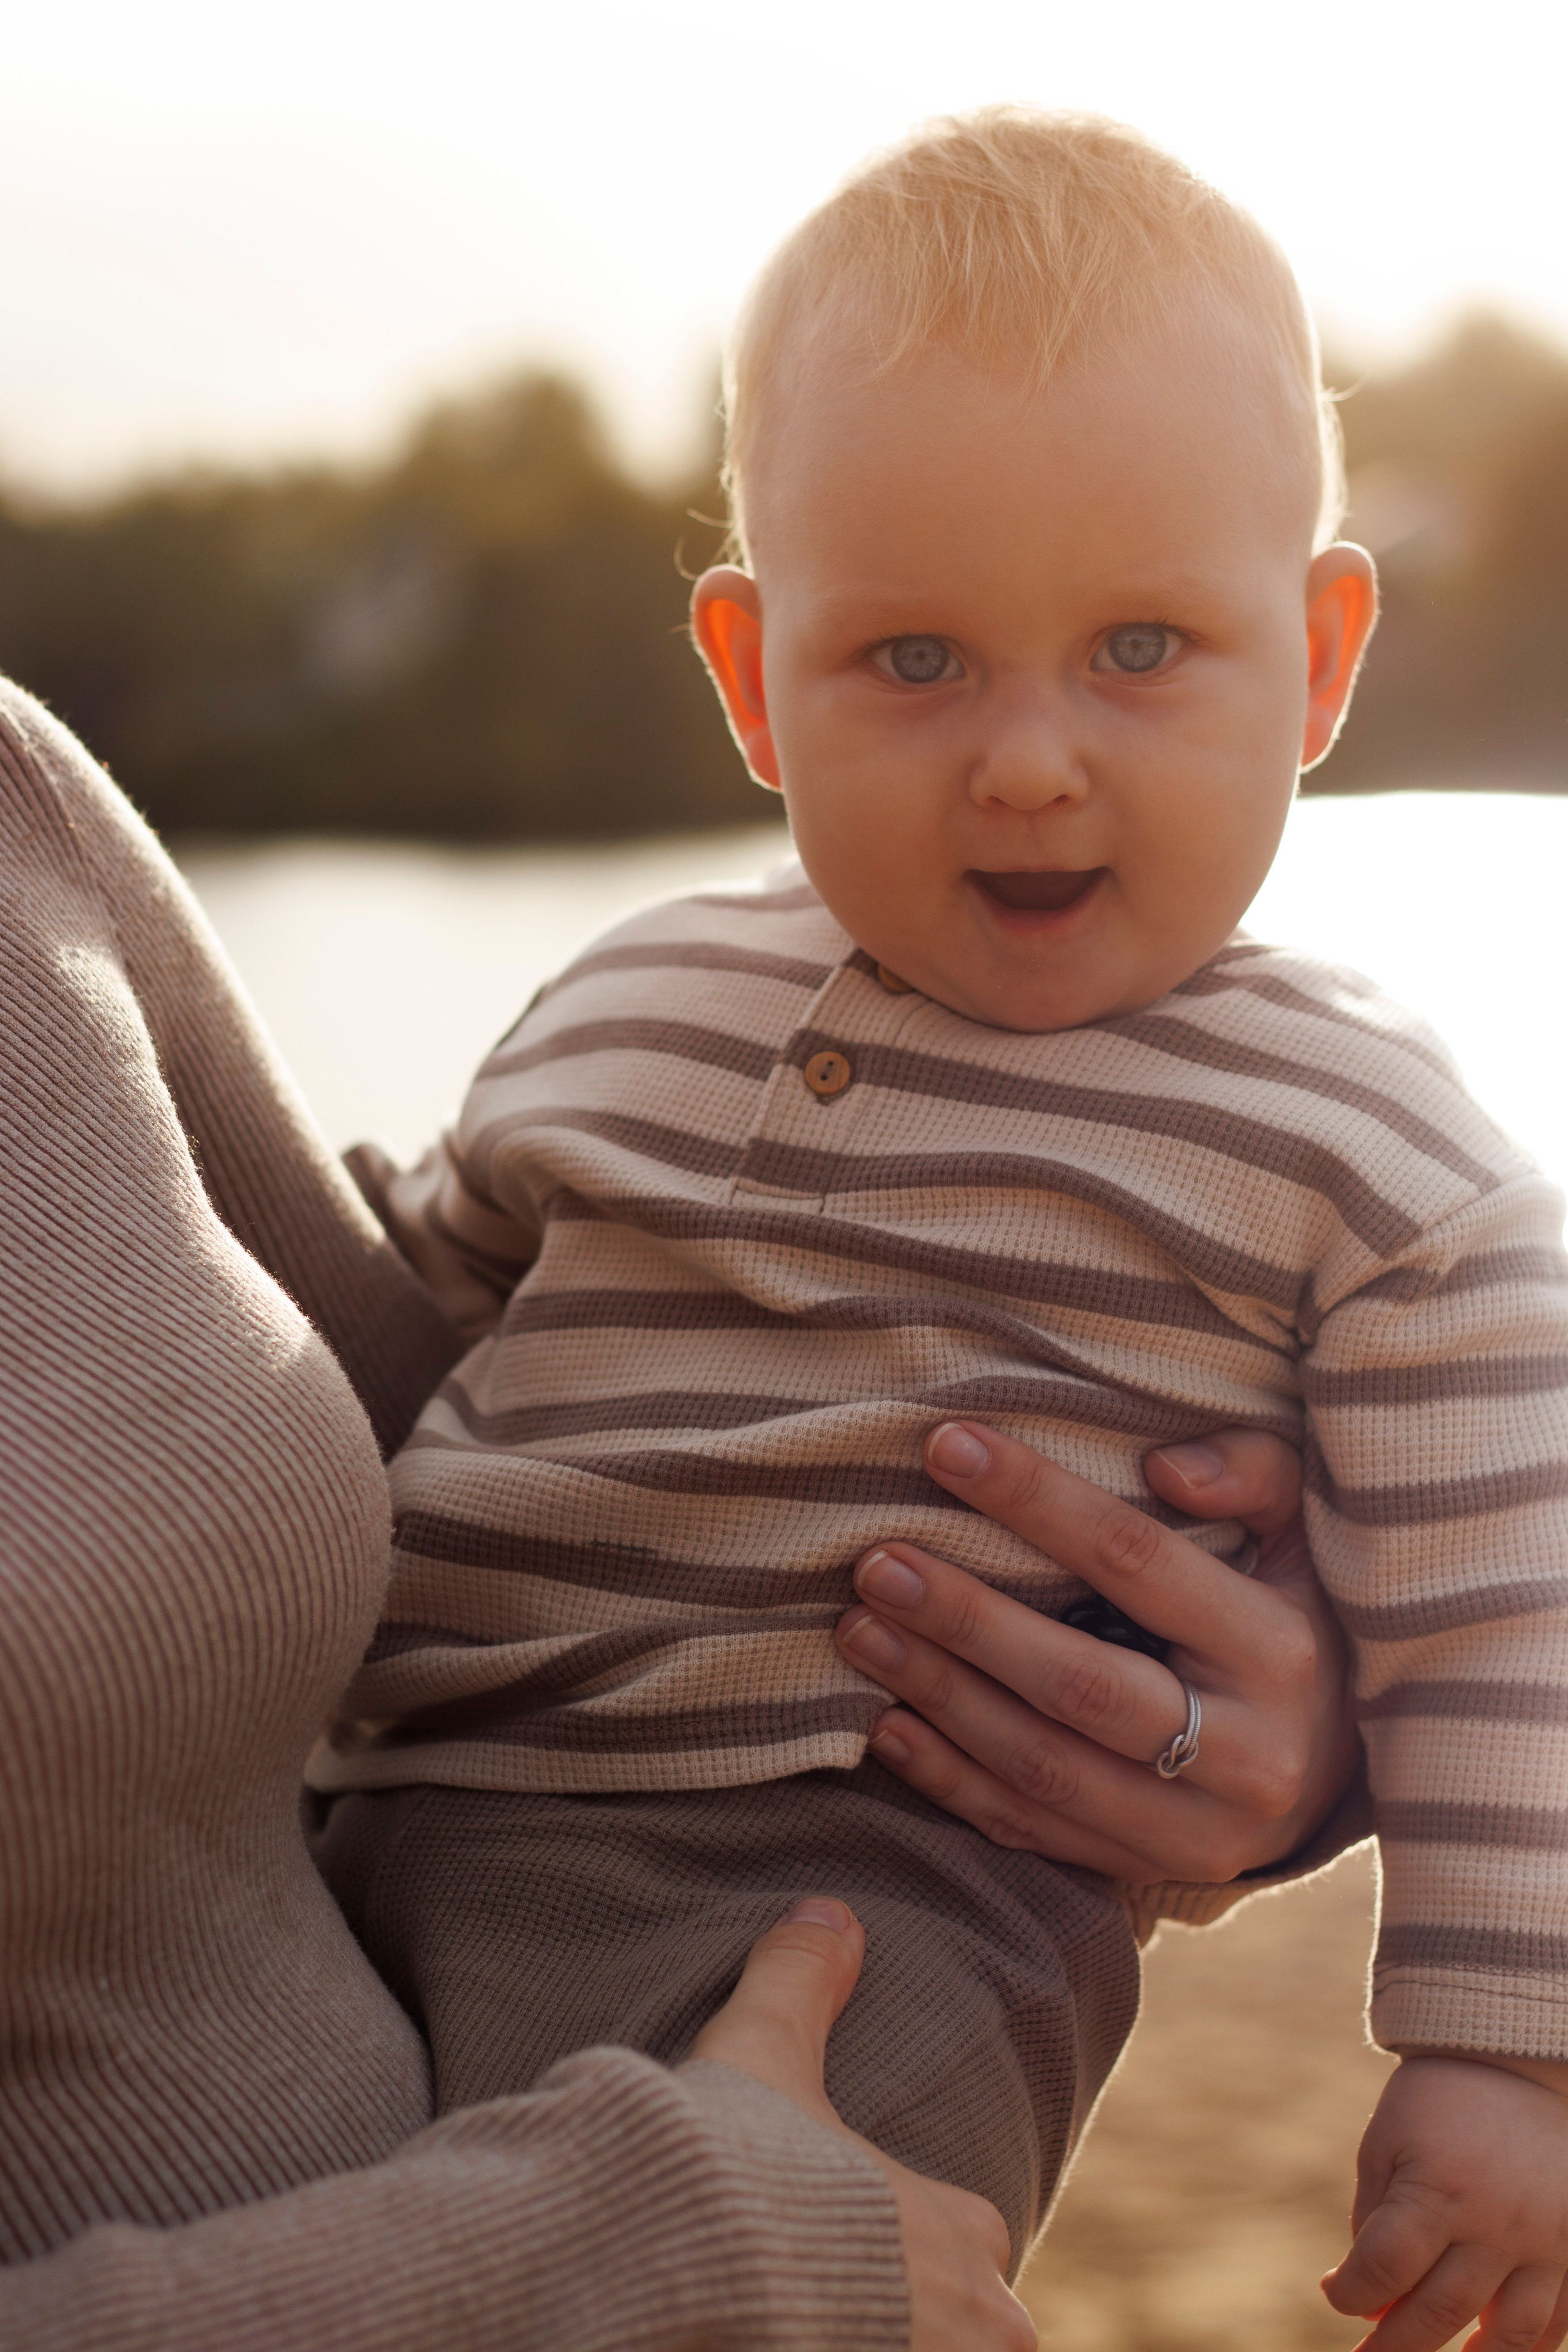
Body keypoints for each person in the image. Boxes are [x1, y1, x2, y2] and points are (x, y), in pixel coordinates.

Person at [312, 106, 1568, 2352]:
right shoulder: (629, 998)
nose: (1025, 759)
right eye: (914, 662)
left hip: (877, 1897)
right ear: (751, 675)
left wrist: (1505, 2050)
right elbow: (386, 1313)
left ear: (1322, 656)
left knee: (768, 2290)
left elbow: (1516, 1611)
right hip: (375, 1836)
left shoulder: (1371, 1154)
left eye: (1142, 648)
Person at [0, 668, 1351, 2348]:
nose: (1027, 761)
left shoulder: (18, 814)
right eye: (913, 656)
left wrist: (1249, 1693)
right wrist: (653, 2259)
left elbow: (430, 1376)